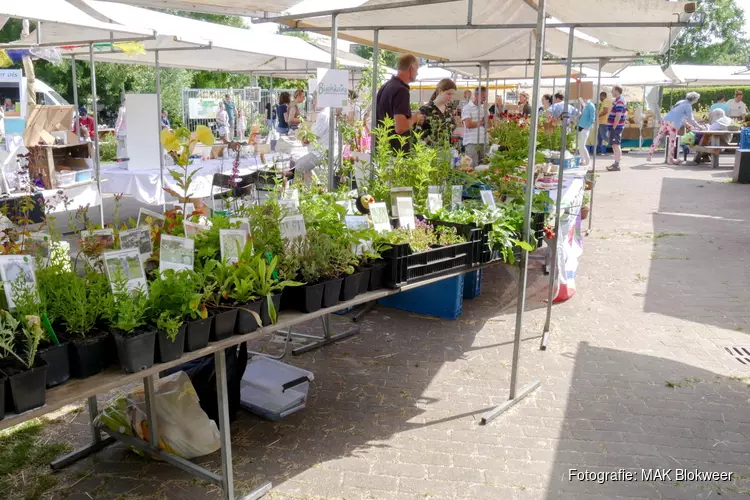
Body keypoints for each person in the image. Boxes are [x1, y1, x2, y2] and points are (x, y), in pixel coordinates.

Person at [375, 53, 422, 151]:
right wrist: (414, 119)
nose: (417, 73)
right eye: (417, 70)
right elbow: (400, 128)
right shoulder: (402, 90)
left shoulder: (385, 86)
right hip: (396, 152)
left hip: (382, 148)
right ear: (411, 69)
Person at [647, 91, 703, 165]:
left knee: (658, 137)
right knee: (672, 141)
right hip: (673, 123)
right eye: (697, 99)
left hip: (666, 119)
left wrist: (688, 125)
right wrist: (699, 127)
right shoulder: (688, 106)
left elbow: (679, 115)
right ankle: (670, 160)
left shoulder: (680, 102)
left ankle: (649, 154)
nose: (697, 100)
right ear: (694, 99)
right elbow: (691, 119)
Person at [416, 78, 457, 145]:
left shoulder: (449, 109)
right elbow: (418, 133)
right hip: (431, 152)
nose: (451, 97)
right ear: (440, 91)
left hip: (447, 150)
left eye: (453, 94)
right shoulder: (425, 109)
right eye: (449, 94)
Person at [461, 86, 488, 167]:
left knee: (484, 166)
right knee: (472, 166)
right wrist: (481, 122)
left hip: (483, 140)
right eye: (483, 97)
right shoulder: (467, 108)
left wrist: (486, 111)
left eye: (486, 97)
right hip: (471, 142)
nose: (485, 99)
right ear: (477, 95)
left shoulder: (484, 108)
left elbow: (489, 125)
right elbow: (469, 124)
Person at [605, 85, 627, 171]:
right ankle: (615, 163)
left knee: (616, 145)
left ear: (617, 91)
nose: (611, 92)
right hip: (615, 127)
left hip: (616, 127)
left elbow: (618, 115)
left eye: (613, 90)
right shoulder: (618, 101)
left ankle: (617, 165)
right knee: (615, 146)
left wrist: (614, 126)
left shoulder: (620, 101)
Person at [577, 98, 596, 166]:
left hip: (585, 128)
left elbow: (592, 118)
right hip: (580, 127)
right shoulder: (585, 105)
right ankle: (582, 160)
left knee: (582, 145)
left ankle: (587, 161)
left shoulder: (591, 106)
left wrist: (587, 126)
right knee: (580, 144)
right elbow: (582, 102)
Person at [597, 91, 612, 155]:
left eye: (600, 97)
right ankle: (599, 150)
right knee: (599, 136)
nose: (600, 99)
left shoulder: (606, 101)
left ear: (602, 96)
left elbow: (605, 111)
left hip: (604, 121)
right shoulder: (605, 101)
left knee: (603, 136)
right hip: (602, 121)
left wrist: (598, 115)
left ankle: (613, 144)